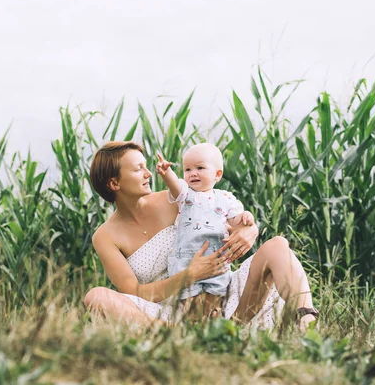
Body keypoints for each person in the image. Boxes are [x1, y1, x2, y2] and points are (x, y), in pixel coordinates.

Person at [84, 141, 318, 331]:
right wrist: (190, 275)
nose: (148, 173)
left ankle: (307, 321)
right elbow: (133, 292)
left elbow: (224, 211)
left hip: (221, 291)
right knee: (96, 296)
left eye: (146, 166)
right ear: (114, 182)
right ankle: (179, 335)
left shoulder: (175, 199)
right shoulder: (105, 237)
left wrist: (250, 230)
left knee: (278, 245)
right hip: (166, 312)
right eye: (138, 169)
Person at [155, 143, 254, 318]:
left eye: (200, 168)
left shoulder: (225, 198)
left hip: (216, 258)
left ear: (217, 174)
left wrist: (246, 217)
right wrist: (166, 173)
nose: (193, 173)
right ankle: (194, 323)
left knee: (214, 301)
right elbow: (175, 185)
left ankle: (212, 323)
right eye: (187, 169)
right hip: (186, 259)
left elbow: (237, 222)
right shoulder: (185, 195)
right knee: (192, 304)